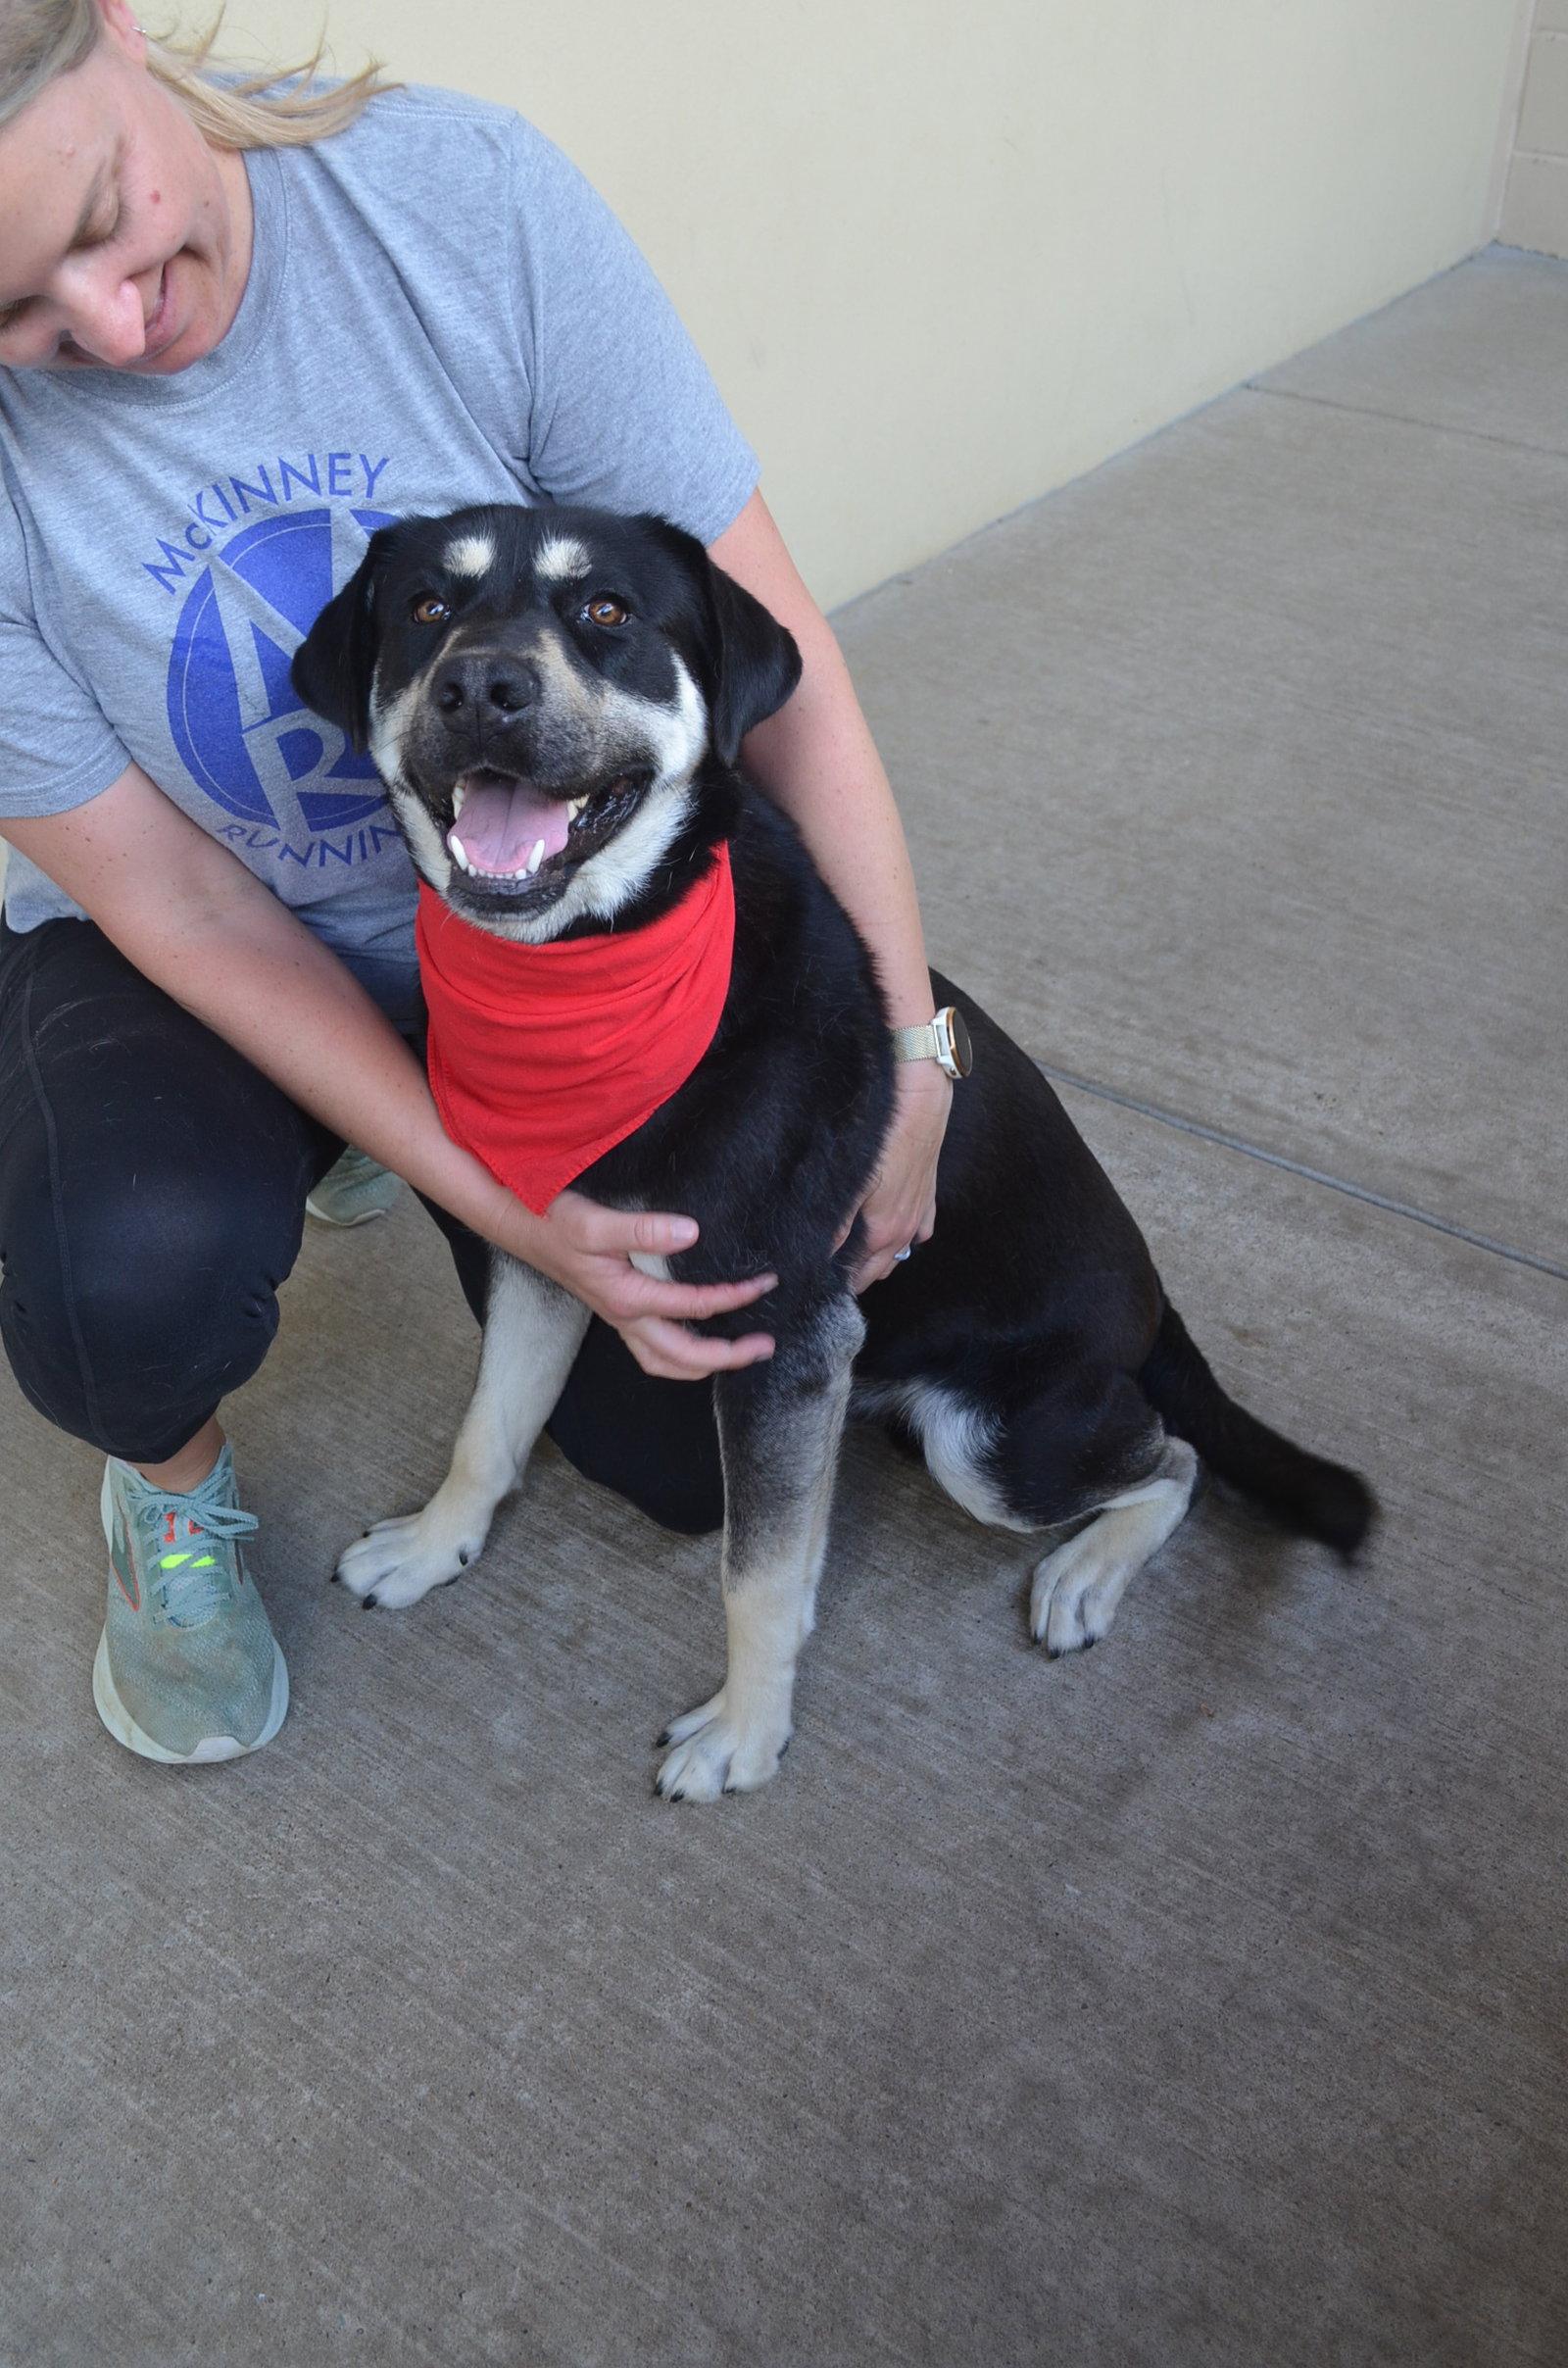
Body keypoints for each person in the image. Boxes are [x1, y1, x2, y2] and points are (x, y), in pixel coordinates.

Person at [0, 0, 953, 1763]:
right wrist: (520, 1211)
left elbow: (778, 674)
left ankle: (395, 1133)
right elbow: (181, 906)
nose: (114, 329)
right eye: (17, 317)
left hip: (573, 939)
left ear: (118, 26)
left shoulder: (459, 201)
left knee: (693, 1436)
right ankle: (170, 1488)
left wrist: (912, 1048)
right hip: (212, 940)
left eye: (105, 218)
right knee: (120, 1271)